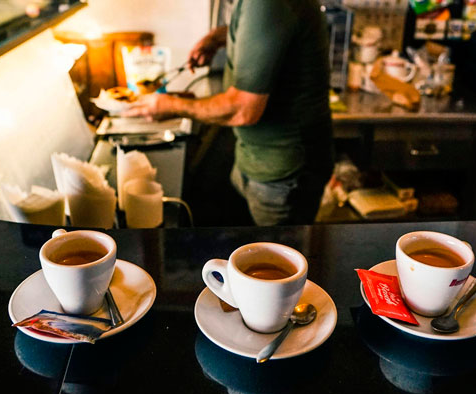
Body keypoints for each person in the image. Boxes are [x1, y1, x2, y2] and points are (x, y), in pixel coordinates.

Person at [124, 0, 334, 226]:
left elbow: (243, 109)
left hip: (283, 173)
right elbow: (267, 29)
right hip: (257, 158)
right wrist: (219, 37)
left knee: (275, 256)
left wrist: (171, 106)